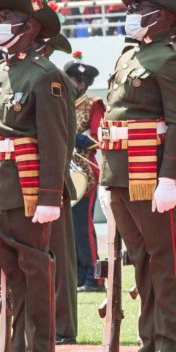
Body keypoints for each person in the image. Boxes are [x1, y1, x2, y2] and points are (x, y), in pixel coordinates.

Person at [99, 0, 176, 352]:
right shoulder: (128, 56)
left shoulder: (173, 59)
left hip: (150, 170)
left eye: (140, 9)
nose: (131, 15)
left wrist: (171, 178)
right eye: (130, 8)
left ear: (163, 17)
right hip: (122, 171)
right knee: (140, 260)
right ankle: (148, 345)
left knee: (165, 261)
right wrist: (108, 179)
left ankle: (170, 349)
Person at [0, 0, 73, 352]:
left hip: (30, 185)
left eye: (7, 19)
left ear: (30, 26)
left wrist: (51, 195)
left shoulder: (45, 75)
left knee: (34, 267)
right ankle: (16, 349)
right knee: (11, 270)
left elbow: (56, 139)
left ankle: (40, 351)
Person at [65, 52, 104, 291]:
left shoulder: (93, 105)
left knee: (83, 226)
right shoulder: (59, 103)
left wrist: (76, 138)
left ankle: (94, 276)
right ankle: (79, 275)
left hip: (84, 173)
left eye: (73, 80)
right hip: (63, 170)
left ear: (82, 84)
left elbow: (99, 139)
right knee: (69, 229)